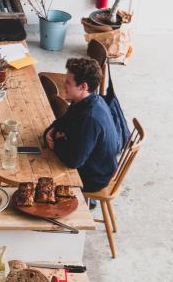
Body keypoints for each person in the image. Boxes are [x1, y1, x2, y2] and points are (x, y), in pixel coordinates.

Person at [45, 57, 122, 192]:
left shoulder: (90, 118)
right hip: (88, 160)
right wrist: (52, 131)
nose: (63, 85)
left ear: (83, 87)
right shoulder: (84, 100)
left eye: (68, 82)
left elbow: (73, 161)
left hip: (94, 177)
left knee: (41, 174)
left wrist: (56, 141)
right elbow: (62, 122)